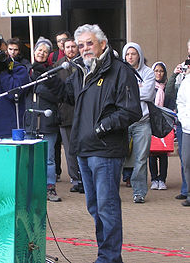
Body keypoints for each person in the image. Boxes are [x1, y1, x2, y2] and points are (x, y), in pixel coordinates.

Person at [45, 24, 142, 263]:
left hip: (106, 150)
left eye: (89, 43)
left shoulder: (120, 71)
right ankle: (106, 255)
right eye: (80, 45)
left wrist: (104, 126)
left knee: (107, 207)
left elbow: (131, 110)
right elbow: (68, 97)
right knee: (94, 207)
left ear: (102, 43)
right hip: (84, 149)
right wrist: (48, 77)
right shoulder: (80, 71)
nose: (84, 48)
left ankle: (109, 258)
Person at [24, 37, 61, 202]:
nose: (42, 53)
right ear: (34, 51)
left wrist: (41, 88)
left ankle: (49, 187)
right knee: (29, 157)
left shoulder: (53, 72)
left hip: (47, 121)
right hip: (31, 120)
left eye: (45, 51)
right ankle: (29, 187)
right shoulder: (26, 70)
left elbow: (59, 95)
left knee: (49, 158)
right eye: (39, 50)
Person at [122, 42, 155, 203]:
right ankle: (112, 190)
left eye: (133, 54)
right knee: (118, 156)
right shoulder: (120, 72)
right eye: (127, 54)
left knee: (141, 158)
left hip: (143, 122)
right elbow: (118, 94)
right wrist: (136, 90)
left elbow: (148, 94)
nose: (130, 57)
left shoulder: (148, 73)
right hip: (123, 121)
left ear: (139, 55)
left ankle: (139, 192)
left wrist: (129, 91)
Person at [54, 37, 84, 193]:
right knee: (70, 149)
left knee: (82, 147)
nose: (71, 49)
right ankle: (76, 179)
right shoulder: (58, 67)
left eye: (74, 46)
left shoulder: (84, 64)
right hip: (65, 113)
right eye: (68, 47)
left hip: (82, 113)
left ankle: (85, 177)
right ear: (63, 49)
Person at [165, 39, 190, 200]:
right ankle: (187, 190)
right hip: (186, 125)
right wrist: (176, 75)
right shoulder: (184, 74)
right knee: (186, 160)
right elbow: (174, 96)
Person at [48, 30, 70, 182]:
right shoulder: (54, 58)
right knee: (55, 144)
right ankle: (56, 172)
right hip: (57, 109)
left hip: (69, 109)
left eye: (63, 40)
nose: (61, 44)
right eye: (58, 41)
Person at [149, 62, 170, 190]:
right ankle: (154, 179)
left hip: (164, 123)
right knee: (152, 153)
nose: (159, 73)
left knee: (163, 153)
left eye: (161, 71)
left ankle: (162, 179)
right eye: (156, 71)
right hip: (151, 121)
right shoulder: (150, 87)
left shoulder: (167, 88)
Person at [177, 63, 190, 206]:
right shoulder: (186, 82)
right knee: (186, 161)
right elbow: (180, 102)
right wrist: (184, 118)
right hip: (187, 128)